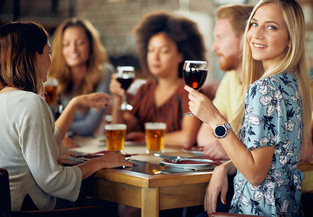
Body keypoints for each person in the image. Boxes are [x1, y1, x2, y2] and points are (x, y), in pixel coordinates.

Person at [185, 0, 312, 216]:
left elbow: (255, 174)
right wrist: (225, 166)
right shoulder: (293, 83)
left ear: (290, 38)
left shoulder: (263, 88)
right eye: (254, 24)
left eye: (271, 27)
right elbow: (271, 160)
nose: (256, 34)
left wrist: (215, 119)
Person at [0, 21, 133, 211]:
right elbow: (52, 181)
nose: (51, 59)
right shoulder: (30, 103)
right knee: (109, 207)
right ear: (34, 56)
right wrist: (100, 162)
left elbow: (39, 146)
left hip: (7, 207)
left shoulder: (5, 99)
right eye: (49, 52)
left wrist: (75, 104)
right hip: (29, 208)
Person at [110, 11, 206, 149]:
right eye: (151, 50)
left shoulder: (189, 90)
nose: (155, 57)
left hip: (179, 164)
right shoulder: (146, 88)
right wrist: (118, 98)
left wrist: (145, 137)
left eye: (164, 51)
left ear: (181, 55)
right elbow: (120, 131)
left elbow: (186, 139)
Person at [197, 4, 253, 160]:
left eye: (220, 38)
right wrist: (231, 147)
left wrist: (229, 148)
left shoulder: (268, 83)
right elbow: (204, 135)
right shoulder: (231, 78)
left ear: (245, 39)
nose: (214, 47)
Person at [49, 17, 114, 137]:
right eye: (66, 44)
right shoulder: (50, 76)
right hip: (58, 145)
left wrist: (57, 127)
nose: (73, 49)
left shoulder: (104, 73)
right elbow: (47, 121)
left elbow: (89, 126)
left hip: (87, 145)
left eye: (80, 43)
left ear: (91, 46)